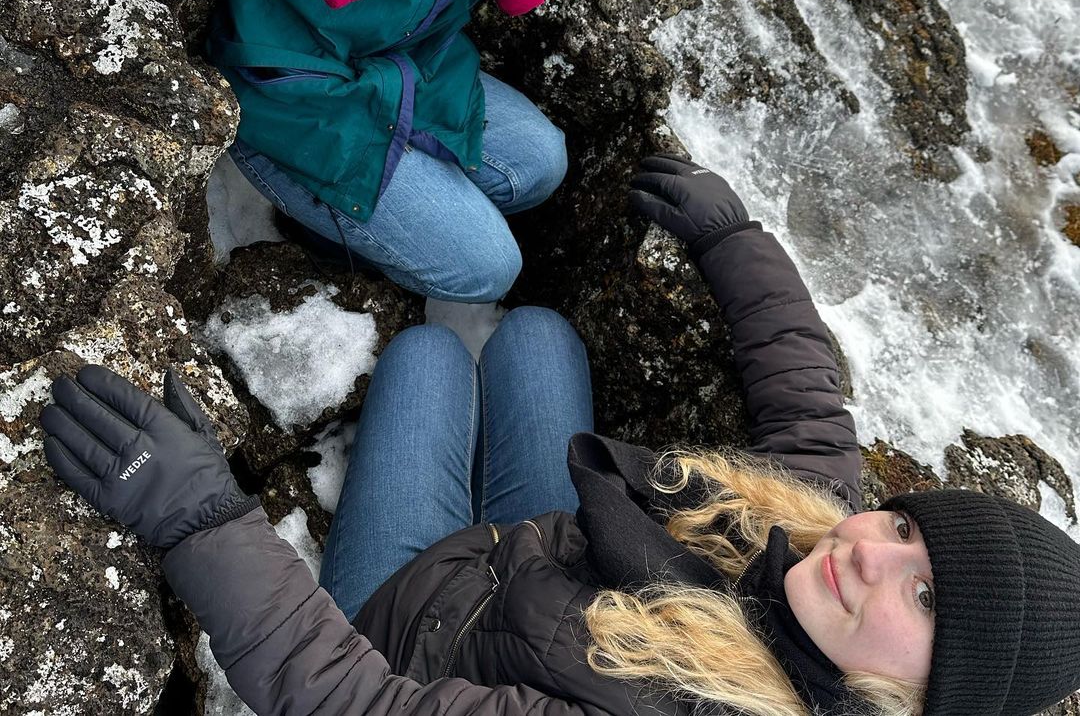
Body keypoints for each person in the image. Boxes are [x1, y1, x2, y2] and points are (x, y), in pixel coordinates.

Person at [39, 155, 1080, 716]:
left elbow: (347, 699)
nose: (873, 553)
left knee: (427, 357)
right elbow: (807, 392)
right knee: (536, 337)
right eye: (907, 528)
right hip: (531, 563)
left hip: (399, 639)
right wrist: (734, 239)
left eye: (926, 596)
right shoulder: (814, 540)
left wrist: (203, 519)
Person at [78, 0, 636, 301]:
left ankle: (357, 219)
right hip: (293, 88)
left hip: (416, 59)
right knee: (486, 268)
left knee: (539, 164)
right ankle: (319, 225)